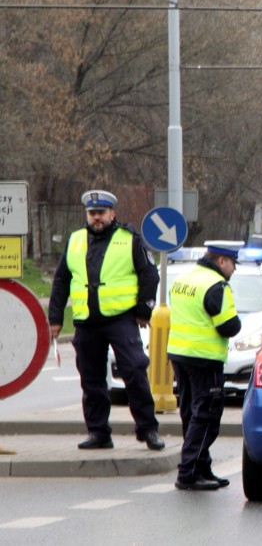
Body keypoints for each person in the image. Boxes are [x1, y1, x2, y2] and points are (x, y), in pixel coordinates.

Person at [48, 190, 164, 451]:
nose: (96, 218)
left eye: (101, 213)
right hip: (86, 321)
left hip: (120, 319)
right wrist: (55, 318)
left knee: (134, 370)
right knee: (91, 379)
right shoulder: (76, 240)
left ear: (112, 213)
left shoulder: (130, 239)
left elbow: (149, 274)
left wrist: (144, 311)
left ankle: (148, 430)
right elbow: (61, 281)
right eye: (92, 214)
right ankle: (99, 432)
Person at [168, 240, 243, 491]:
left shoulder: (185, 278)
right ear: (221, 261)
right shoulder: (216, 285)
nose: (234, 269)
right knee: (207, 416)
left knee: (191, 413)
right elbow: (229, 326)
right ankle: (188, 472)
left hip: (180, 355)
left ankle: (201, 467)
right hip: (204, 358)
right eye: (233, 263)